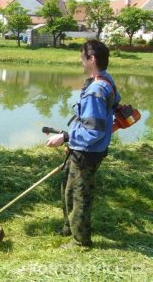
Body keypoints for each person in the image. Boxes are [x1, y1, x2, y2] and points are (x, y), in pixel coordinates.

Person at [46, 40, 121, 248]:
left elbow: (93, 131)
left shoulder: (96, 90)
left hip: (87, 152)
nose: (81, 62)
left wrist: (65, 137)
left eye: (83, 58)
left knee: (80, 195)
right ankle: (69, 227)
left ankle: (81, 241)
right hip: (83, 149)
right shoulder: (106, 80)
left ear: (92, 59)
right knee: (68, 189)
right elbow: (116, 103)